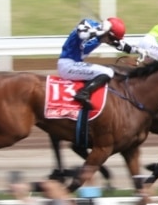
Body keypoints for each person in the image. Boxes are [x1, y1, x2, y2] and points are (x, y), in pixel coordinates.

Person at [57, 17, 137, 151]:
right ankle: (83, 94)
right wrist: (101, 31)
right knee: (107, 72)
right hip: (67, 64)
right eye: (111, 39)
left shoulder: (104, 35)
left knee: (104, 71)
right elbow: (83, 34)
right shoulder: (87, 24)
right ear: (108, 33)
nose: (111, 42)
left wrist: (139, 51)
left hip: (75, 64)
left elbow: (122, 46)